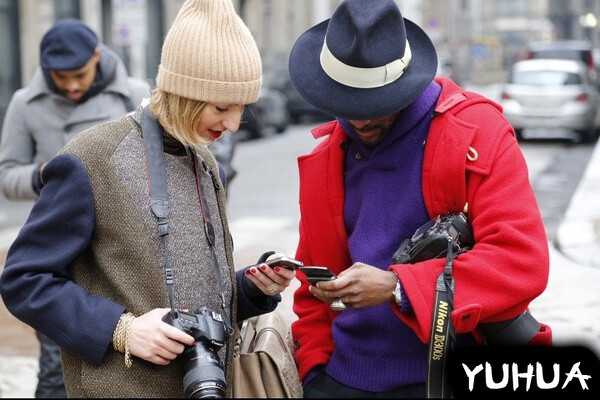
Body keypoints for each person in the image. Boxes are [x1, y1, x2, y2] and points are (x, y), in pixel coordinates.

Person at [0, 0, 295, 397]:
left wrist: (253, 290)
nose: (234, 124)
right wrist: (121, 330)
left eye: (244, 108)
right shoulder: (91, 158)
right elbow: (24, 280)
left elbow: (195, 294)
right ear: (184, 93)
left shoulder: (207, 165)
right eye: (222, 107)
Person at [288, 0, 552, 398]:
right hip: (340, 379)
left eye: (375, 104)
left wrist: (398, 287)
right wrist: (315, 372)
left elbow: (521, 259)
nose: (360, 120)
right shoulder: (327, 156)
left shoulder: (477, 133)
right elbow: (311, 292)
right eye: (346, 103)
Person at [0, 18, 150, 398]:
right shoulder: (24, 103)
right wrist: (42, 175)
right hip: (59, 253)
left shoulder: (133, 94)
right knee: (55, 368)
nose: (70, 86)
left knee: (129, 358)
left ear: (97, 57)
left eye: (79, 75)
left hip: (121, 249)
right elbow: (6, 175)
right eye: (59, 77)